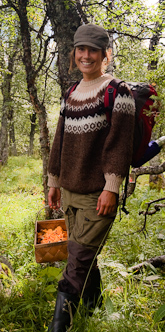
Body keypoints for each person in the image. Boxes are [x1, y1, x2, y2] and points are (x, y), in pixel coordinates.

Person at [47, 23, 135, 332]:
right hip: (69, 191)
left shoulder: (117, 91)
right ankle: (94, 309)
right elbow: (60, 141)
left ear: (104, 55)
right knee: (83, 255)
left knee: (76, 262)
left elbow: (119, 146)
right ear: (74, 54)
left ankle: (58, 328)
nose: (86, 56)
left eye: (93, 50)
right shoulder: (71, 92)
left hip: (98, 195)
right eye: (81, 49)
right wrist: (54, 182)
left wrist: (111, 188)